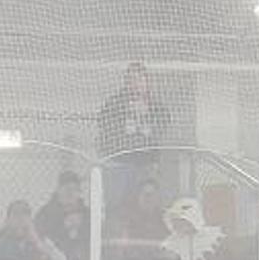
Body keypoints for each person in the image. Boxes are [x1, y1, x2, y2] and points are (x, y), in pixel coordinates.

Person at [97, 62, 170, 209]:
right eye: (131, 79)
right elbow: (104, 125)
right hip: (120, 162)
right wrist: (124, 119)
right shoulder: (115, 104)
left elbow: (164, 125)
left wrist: (147, 119)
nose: (135, 84)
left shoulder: (155, 106)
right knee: (117, 203)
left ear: (147, 82)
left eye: (139, 79)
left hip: (147, 163)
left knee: (147, 201)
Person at [34, 170, 87, 247]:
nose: (71, 193)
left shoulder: (87, 213)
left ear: (79, 192)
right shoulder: (46, 213)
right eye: (67, 189)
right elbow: (39, 237)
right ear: (58, 190)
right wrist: (63, 225)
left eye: (75, 189)